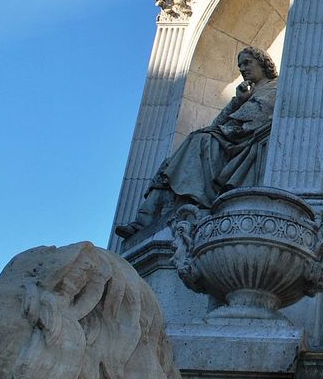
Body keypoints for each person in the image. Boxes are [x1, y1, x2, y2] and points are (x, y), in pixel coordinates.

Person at [115, 47, 278, 239]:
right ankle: (144, 219)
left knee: (199, 140)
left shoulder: (275, 86)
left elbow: (255, 117)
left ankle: (190, 201)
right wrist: (237, 101)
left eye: (247, 63)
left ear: (262, 62)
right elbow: (217, 124)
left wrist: (230, 124)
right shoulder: (245, 93)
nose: (243, 68)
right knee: (173, 160)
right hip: (228, 139)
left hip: (244, 140)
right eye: (240, 65)